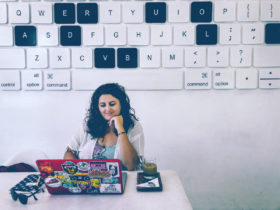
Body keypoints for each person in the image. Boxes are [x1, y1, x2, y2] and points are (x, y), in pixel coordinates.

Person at [64, 83, 144, 171]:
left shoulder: (133, 126)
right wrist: (78, 172)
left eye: (112, 104)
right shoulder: (87, 124)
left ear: (121, 104)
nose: (107, 109)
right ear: (97, 107)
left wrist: (121, 129)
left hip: (123, 181)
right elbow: (69, 151)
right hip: (89, 181)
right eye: (102, 105)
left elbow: (131, 165)